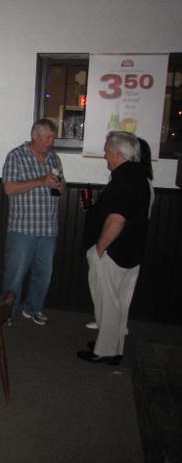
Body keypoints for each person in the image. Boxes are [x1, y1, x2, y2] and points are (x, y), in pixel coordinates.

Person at [77, 132, 150, 365]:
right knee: (119, 305)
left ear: (118, 153)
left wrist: (100, 248)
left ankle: (105, 351)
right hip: (131, 252)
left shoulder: (124, 179)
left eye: (107, 150)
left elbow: (117, 219)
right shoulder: (140, 177)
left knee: (107, 304)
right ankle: (113, 347)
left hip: (113, 253)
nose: (105, 155)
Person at [1, 118, 65, 327]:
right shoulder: (16, 156)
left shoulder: (54, 158)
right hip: (22, 229)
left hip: (49, 229)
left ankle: (33, 309)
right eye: (48, 137)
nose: (51, 142)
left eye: (53, 138)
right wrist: (40, 180)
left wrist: (60, 188)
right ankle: (6, 312)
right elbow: (9, 188)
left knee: (44, 274)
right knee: (15, 275)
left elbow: (60, 188)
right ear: (34, 135)